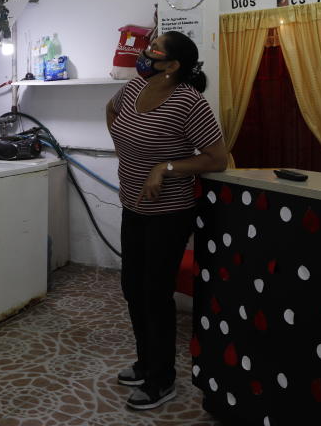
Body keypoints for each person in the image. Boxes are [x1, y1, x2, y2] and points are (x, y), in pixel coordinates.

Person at [105, 31, 227, 410]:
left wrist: (165, 167)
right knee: (132, 289)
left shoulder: (189, 103)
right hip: (134, 206)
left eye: (153, 51)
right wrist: (126, 150)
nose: (144, 54)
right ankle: (145, 363)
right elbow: (111, 111)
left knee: (155, 294)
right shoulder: (134, 89)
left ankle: (162, 379)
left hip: (169, 214)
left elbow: (216, 158)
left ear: (173, 66)